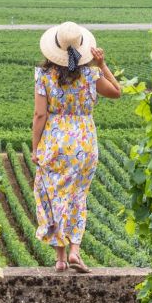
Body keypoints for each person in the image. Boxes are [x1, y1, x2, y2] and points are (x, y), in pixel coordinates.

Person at [31, 21, 121, 273]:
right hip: (84, 142)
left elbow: (39, 116)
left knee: (54, 196)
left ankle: (59, 259)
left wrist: (35, 147)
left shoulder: (44, 76)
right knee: (77, 196)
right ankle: (74, 251)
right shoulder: (91, 75)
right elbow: (117, 91)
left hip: (54, 142)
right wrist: (102, 65)